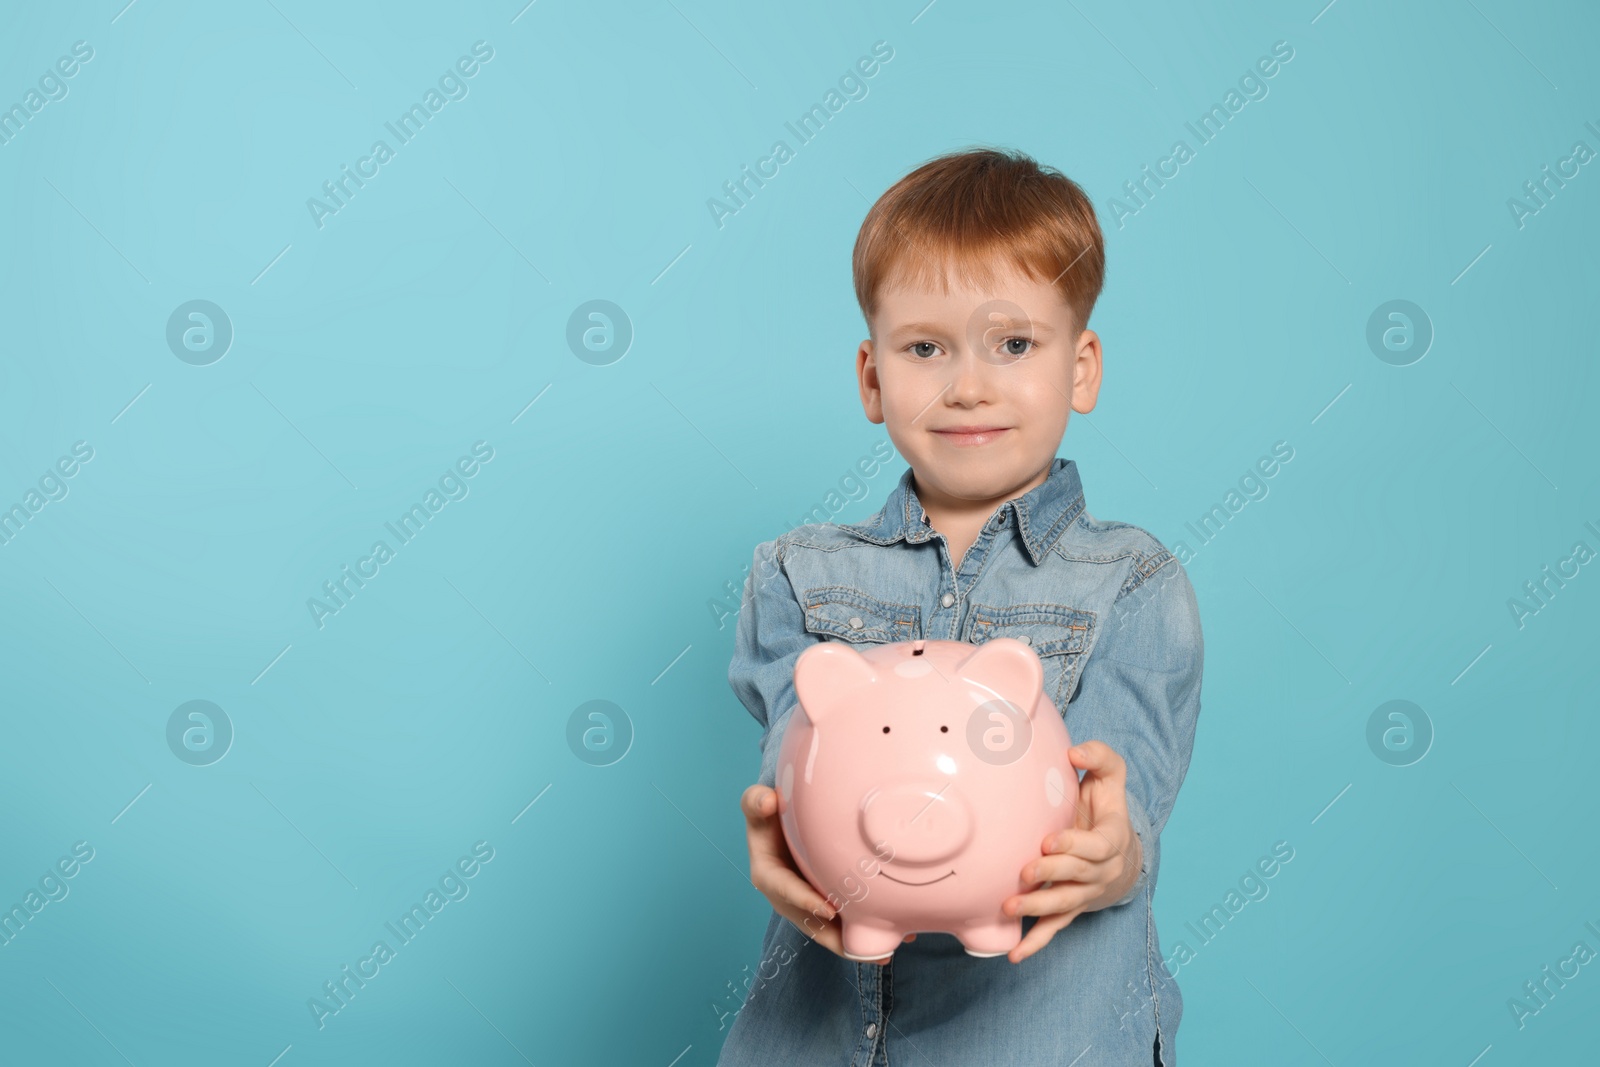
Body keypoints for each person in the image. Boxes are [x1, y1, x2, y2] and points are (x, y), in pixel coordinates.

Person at [716, 146, 1205, 1066]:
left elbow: (1123, 790)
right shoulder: (794, 574)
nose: (968, 383)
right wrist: (782, 824)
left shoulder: (1133, 582)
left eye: (1013, 343)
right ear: (872, 376)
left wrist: (1109, 854)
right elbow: (798, 748)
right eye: (925, 347)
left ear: (1082, 367)